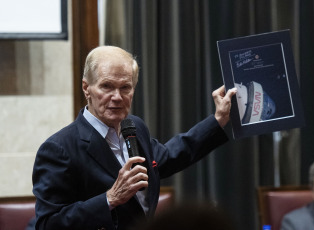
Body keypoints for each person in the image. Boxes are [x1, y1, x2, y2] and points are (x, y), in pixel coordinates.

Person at [32, 46, 237, 230]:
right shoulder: (58, 148)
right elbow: (48, 223)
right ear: (87, 88)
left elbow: (168, 157)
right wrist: (109, 199)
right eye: (106, 86)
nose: (117, 97)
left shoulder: (134, 127)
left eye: (125, 88)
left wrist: (218, 120)